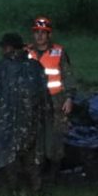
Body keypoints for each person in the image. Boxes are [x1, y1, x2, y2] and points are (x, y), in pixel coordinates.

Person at [0, 32, 50, 192]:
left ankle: (13, 191)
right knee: (32, 157)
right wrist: (45, 118)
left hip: (8, 123)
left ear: (8, 48)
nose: (2, 51)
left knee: (9, 156)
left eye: (3, 47)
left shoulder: (1, 68)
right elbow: (45, 97)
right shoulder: (36, 67)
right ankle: (36, 191)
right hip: (32, 123)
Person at [23, 17, 74, 179]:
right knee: (33, 136)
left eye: (43, 33)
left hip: (55, 100)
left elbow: (68, 76)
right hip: (32, 101)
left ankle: (54, 175)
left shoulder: (59, 52)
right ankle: (36, 173)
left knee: (56, 136)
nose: (39, 36)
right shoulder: (26, 52)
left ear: (49, 35)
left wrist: (69, 98)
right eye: (37, 32)